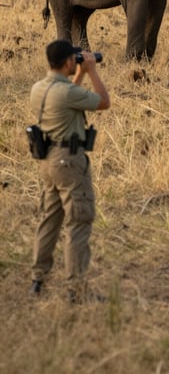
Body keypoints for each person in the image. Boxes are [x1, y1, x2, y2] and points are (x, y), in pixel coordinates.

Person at [29, 40, 110, 302]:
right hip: (70, 162)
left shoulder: (39, 88)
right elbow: (103, 102)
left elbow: (67, 98)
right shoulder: (64, 93)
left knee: (50, 218)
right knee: (79, 220)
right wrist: (92, 71)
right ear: (67, 61)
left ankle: (38, 280)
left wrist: (79, 73)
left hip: (50, 160)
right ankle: (77, 289)